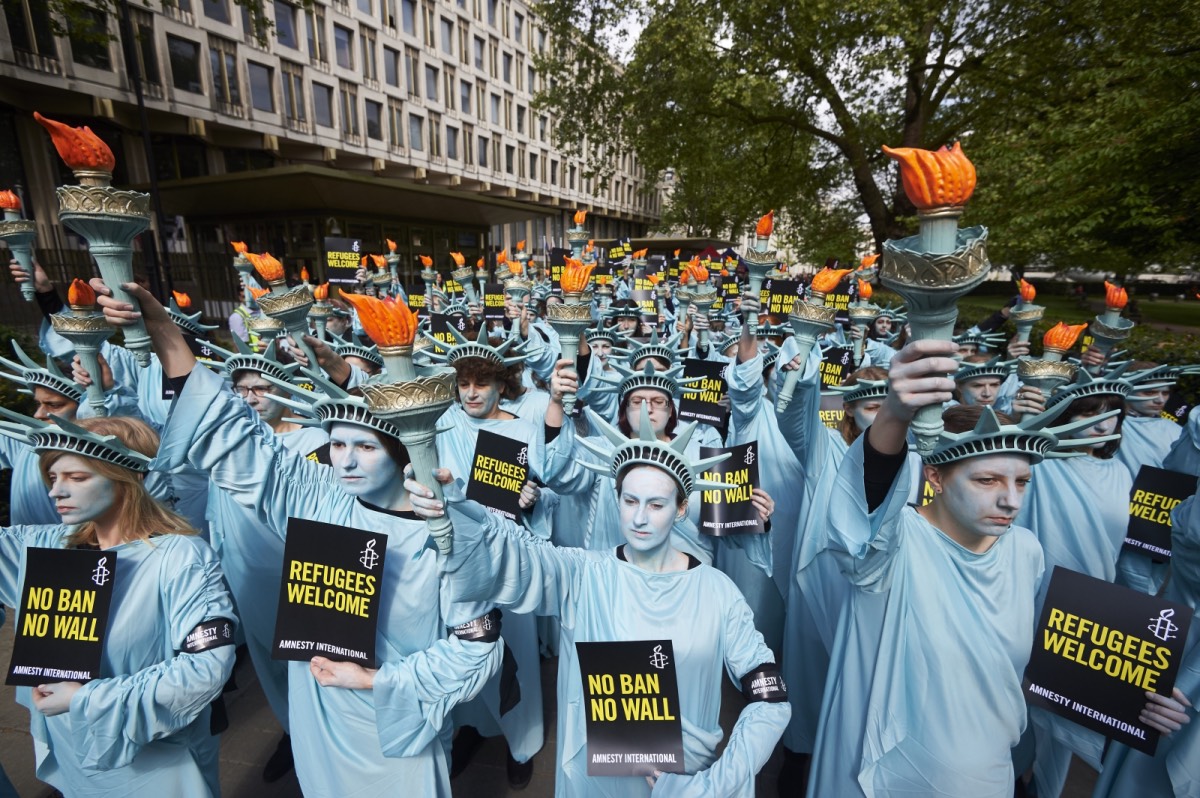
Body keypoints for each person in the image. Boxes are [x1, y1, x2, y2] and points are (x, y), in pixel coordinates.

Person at [94, 277, 504, 798]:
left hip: (399, 720)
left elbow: (476, 647)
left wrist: (376, 681)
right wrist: (165, 331)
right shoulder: (322, 500)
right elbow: (233, 439)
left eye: (366, 447)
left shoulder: (446, 530)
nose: (346, 461)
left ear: (401, 452)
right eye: (336, 445)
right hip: (319, 708)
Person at [803, 339, 1162, 797]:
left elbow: (1053, 659)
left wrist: (1140, 694)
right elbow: (864, 511)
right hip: (898, 774)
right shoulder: (891, 548)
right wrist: (893, 414)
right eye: (987, 480)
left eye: (1022, 481)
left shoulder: (1026, 550)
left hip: (990, 768)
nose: (1010, 499)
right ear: (935, 475)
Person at [407, 405, 788, 797]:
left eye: (656, 505)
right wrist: (452, 510)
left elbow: (772, 700)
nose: (639, 518)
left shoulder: (718, 590)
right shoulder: (583, 574)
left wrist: (716, 784)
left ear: (681, 509)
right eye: (629, 501)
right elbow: (511, 558)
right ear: (617, 497)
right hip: (599, 779)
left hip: (685, 781)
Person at [0, 414, 236, 797]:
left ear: (129, 478)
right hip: (75, 754)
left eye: (77, 478)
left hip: (154, 763)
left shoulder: (181, 557)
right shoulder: (49, 546)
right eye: (54, 478)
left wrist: (85, 699)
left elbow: (205, 668)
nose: (55, 493)